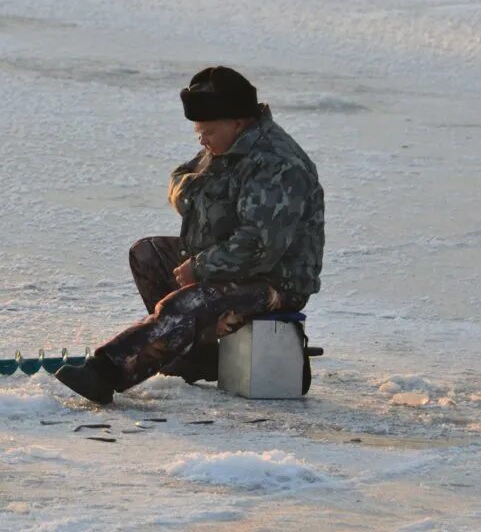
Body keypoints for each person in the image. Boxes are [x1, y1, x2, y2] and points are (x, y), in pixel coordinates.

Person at [55, 66, 324, 404]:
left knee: (188, 300)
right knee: (148, 254)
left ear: (238, 122)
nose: (202, 139)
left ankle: (107, 372)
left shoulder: (276, 165)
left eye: (208, 130)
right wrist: (197, 214)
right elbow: (182, 180)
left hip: (275, 282)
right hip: (229, 265)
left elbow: (259, 246)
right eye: (199, 130)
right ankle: (198, 355)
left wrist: (200, 268)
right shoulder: (227, 148)